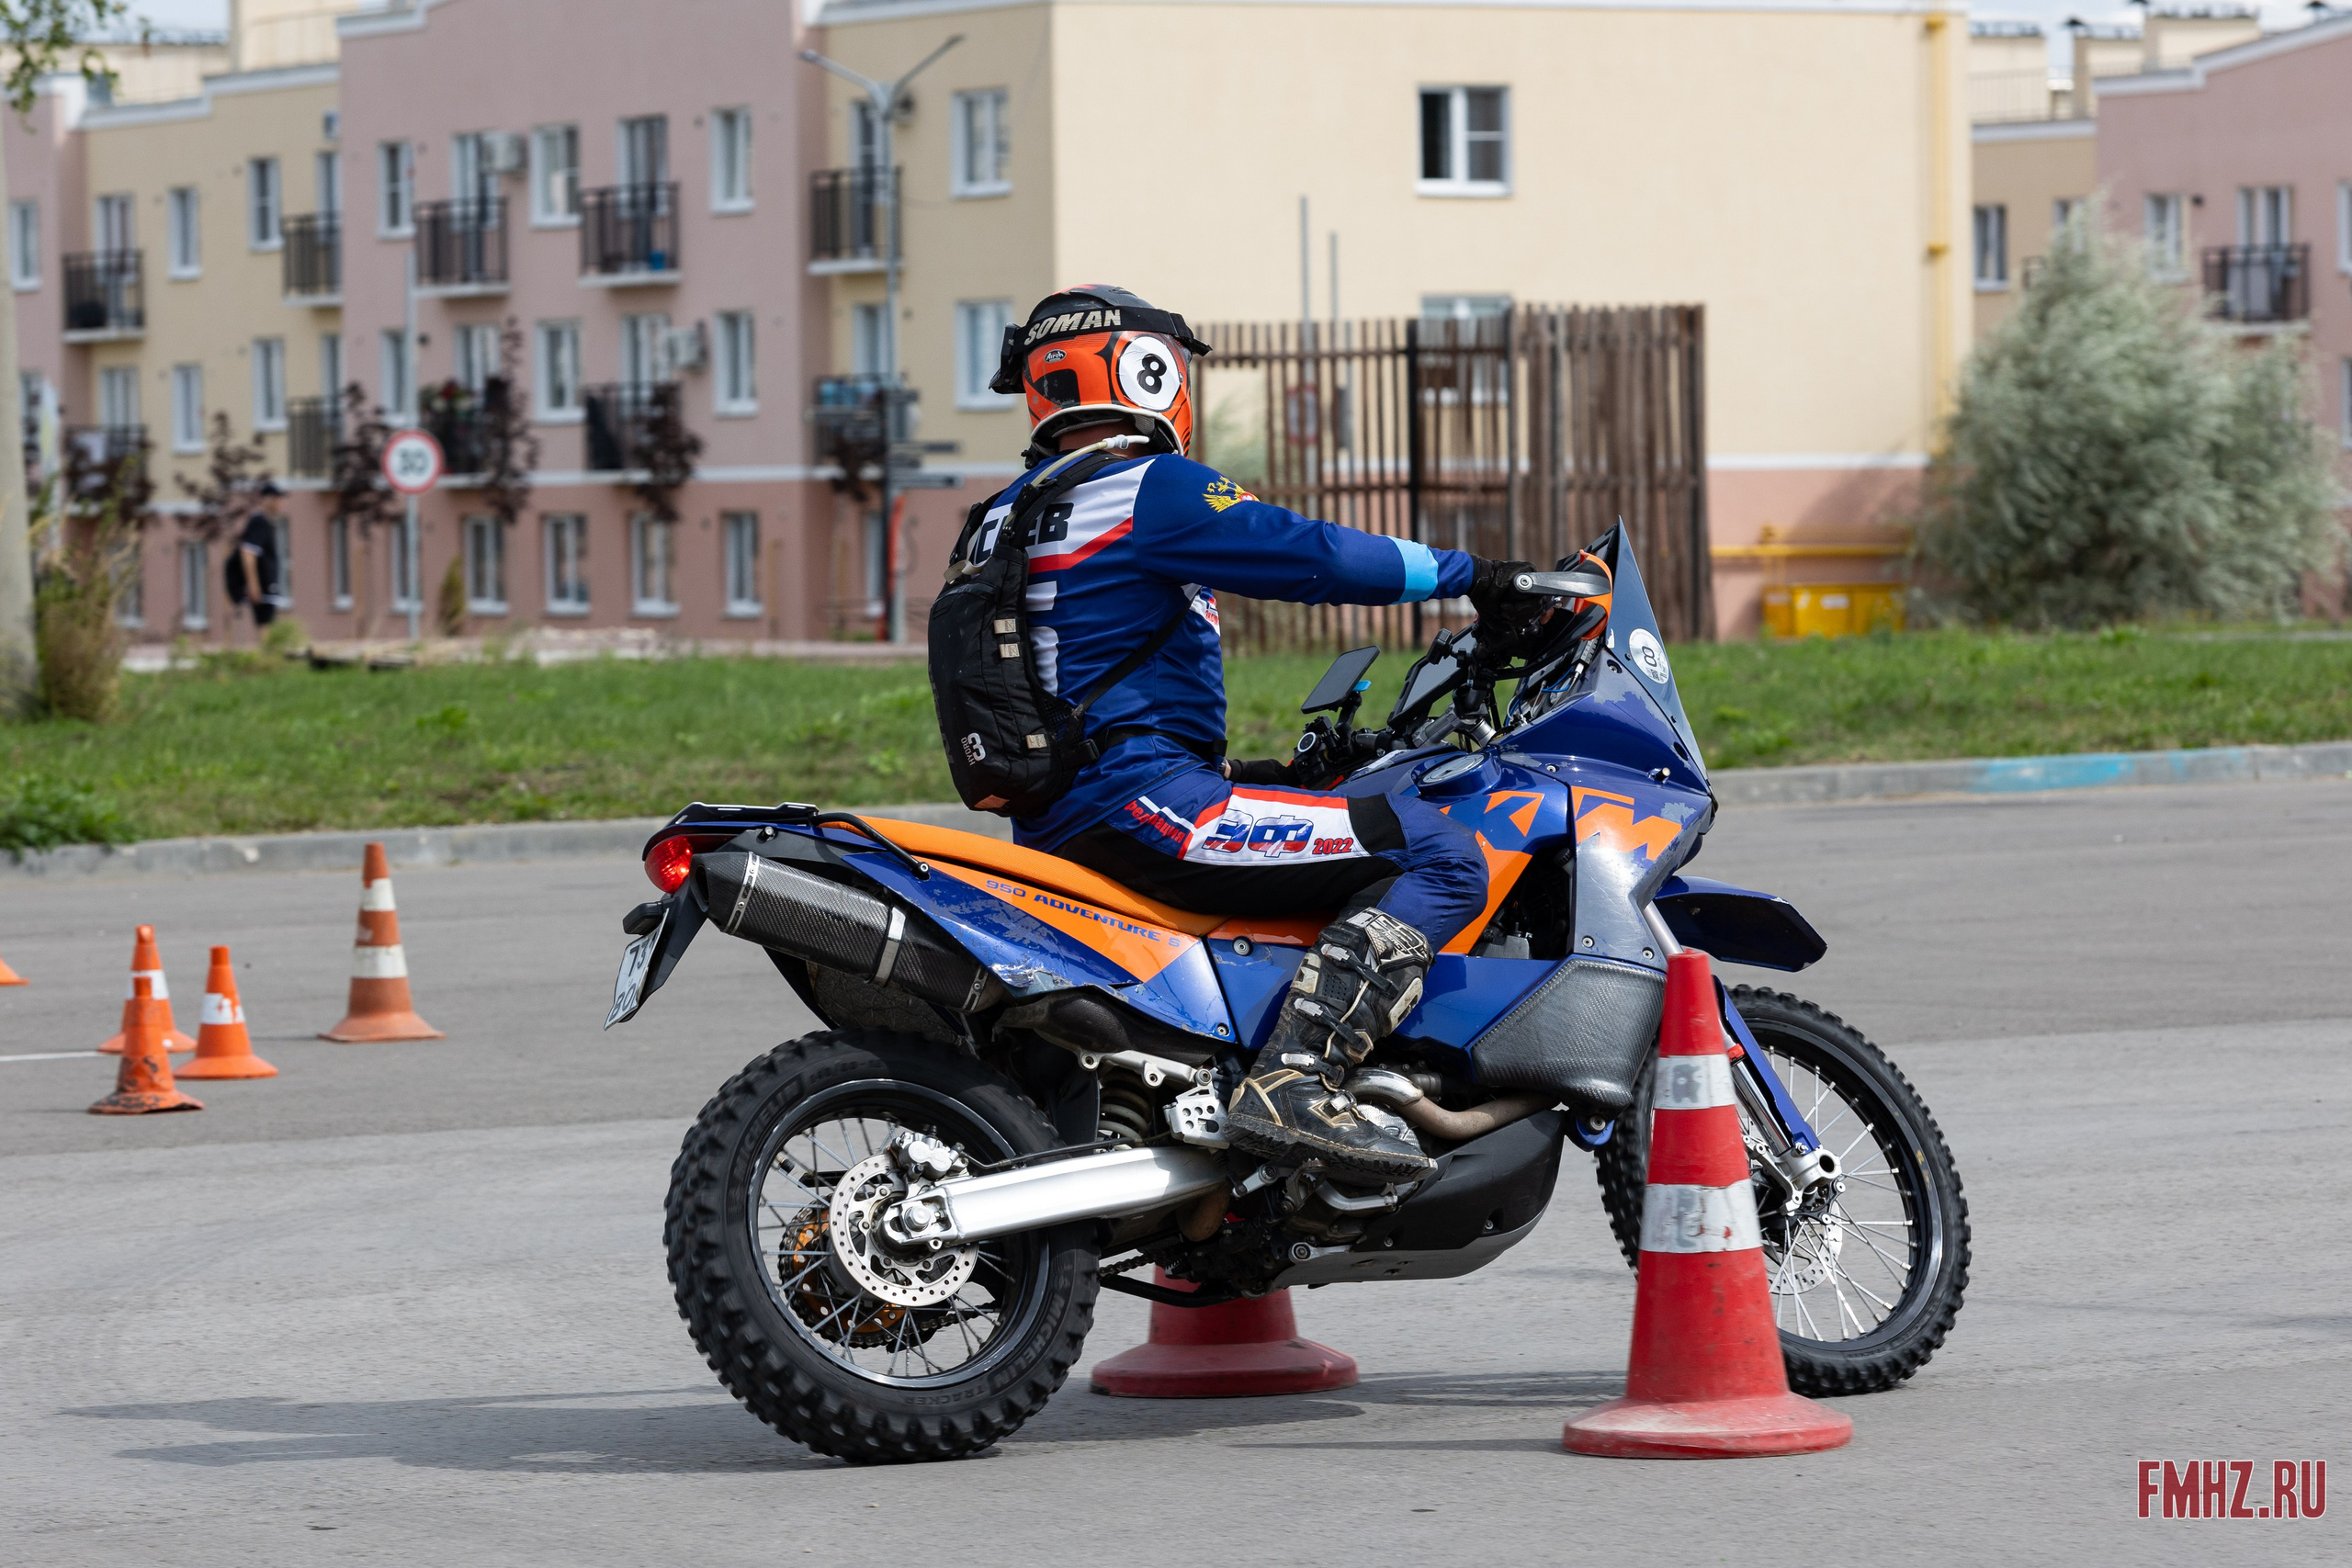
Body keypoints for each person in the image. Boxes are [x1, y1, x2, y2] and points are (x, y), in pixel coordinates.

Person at [971, 286, 1543, 1182]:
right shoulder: (1143, 487)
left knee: (1322, 821)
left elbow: (1078, 681)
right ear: (1147, 372)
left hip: (1068, 819)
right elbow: (1309, 553)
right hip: (1146, 808)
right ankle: (1295, 1081)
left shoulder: (1003, 516)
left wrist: (1261, 772)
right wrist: (1474, 574)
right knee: (1439, 857)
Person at [226, 481, 287, 643]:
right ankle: (267, 658)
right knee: (264, 623)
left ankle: (268, 657)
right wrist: (253, 584)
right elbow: (248, 553)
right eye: (276, 498)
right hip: (262, 583)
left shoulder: (265, 523)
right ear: (267, 500)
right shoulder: (258, 522)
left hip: (266, 583)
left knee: (267, 621)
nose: (279, 502)